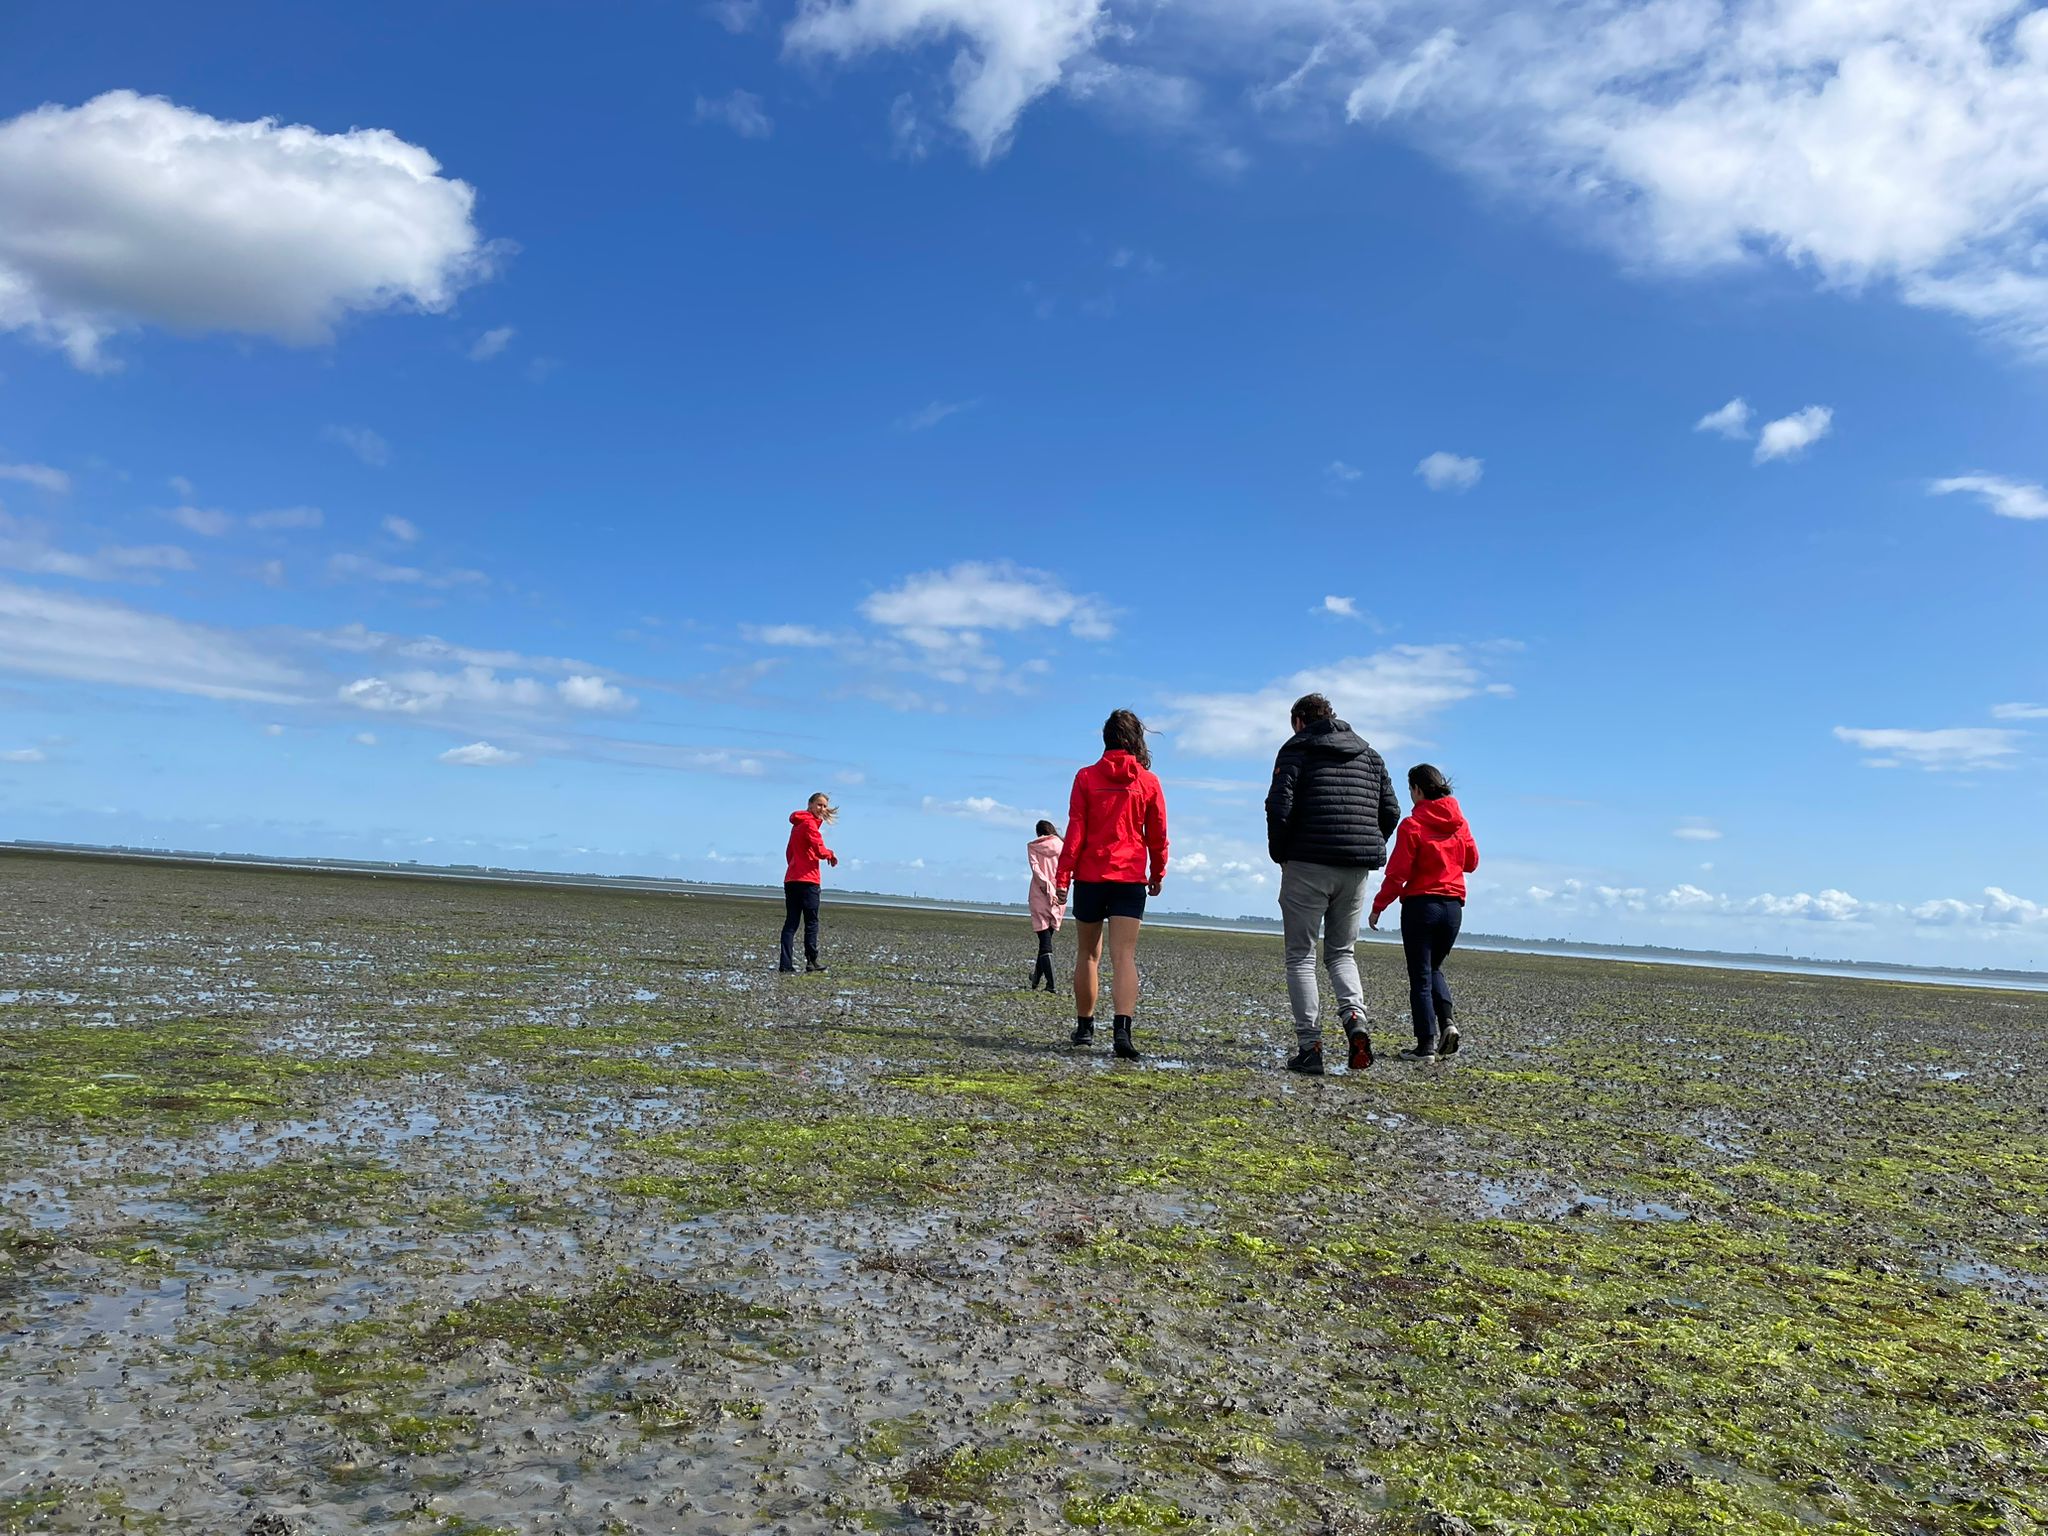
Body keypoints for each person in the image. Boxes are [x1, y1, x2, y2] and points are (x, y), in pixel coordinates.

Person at [1266, 692, 1402, 1076]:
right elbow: (1390, 810)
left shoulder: (1295, 750)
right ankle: (1355, 1018)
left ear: (1298, 722)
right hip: (1354, 869)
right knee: (1342, 953)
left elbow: (1278, 806)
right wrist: (1368, 843)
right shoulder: (1369, 755)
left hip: (1307, 863)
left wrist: (1282, 854)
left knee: (1300, 957)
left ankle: (1310, 1048)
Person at [1054, 709, 1168, 1060]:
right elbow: (1158, 834)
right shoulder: (1148, 782)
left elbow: (1075, 831)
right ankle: (1122, 1031)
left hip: (1090, 876)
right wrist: (1157, 872)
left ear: (1105, 739)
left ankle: (1085, 1028)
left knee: (1088, 954)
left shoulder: (1086, 777)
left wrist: (1062, 877)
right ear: (1137, 740)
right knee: (1124, 957)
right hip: (1130, 877)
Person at [1369, 765, 1479, 1060]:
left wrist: (1378, 906)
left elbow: (1397, 873)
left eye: (1410, 790)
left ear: (1417, 789)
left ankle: (1425, 1047)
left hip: (1422, 907)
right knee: (1434, 969)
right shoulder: (1460, 823)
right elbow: (1471, 862)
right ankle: (1448, 1023)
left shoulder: (1412, 825)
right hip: (1454, 908)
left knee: (1420, 977)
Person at [779, 792, 839, 973]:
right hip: (808, 880)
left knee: (791, 923)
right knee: (811, 922)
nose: (822, 809)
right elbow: (820, 850)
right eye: (819, 805)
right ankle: (811, 961)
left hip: (791, 879)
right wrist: (831, 854)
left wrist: (795, 865)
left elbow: (789, 852)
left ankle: (786, 964)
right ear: (810, 805)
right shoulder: (809, 824)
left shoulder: (797, 825)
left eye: (824, 806)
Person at [1026, 819, 1066, 992]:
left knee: (1045, 942)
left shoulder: (1033, 847)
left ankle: (1051, 984)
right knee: (1045, 941)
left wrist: (1047, 887)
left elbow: (1037, 871)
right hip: (1059, 896)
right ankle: (1036, 979)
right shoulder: (1063, 845)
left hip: (1040, 895)